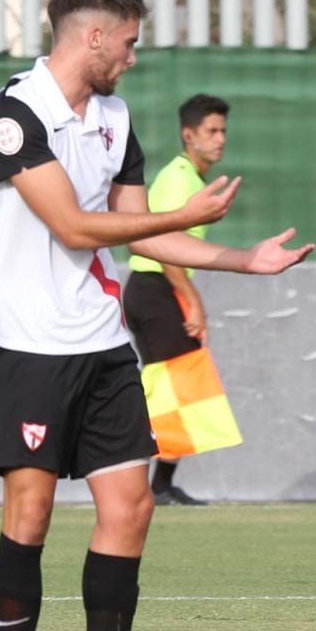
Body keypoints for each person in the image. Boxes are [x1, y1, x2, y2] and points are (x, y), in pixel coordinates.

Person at [0, 0, 312, 631]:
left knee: (132, 507)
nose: (132, 56)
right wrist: (184, 210)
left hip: (102, 343)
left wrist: (237, 259)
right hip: (27, 343)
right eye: (128, 42)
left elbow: (136, 231)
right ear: (93, 37)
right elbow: (73, 227)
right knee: (32, 514)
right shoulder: (14, 116)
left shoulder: (116, 118)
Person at [124, 94, 235, 505]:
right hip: (154, 291)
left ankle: (159, 485)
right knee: (169, 389)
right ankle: (144, 484)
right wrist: (194, 300)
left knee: (180, 387)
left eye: (223, 130)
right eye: (212, 131)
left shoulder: (194, 179)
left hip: (161, 291)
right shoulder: (179, 177)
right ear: (189, 135)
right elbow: (160, 245)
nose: (220, 139)